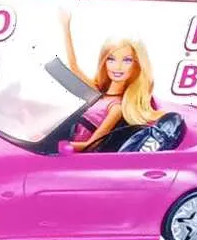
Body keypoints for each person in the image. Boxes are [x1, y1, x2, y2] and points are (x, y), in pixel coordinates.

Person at [58, 10, 165, 152]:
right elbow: (73, 66)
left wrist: (59, 147)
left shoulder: (116, 107)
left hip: (71, 151)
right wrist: (65, 27)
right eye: (111, 59)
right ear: (104, 62)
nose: (118, 67)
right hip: (64, 135)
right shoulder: (97, 91)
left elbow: (92, 144)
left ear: (137, 65)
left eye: (127, 60)